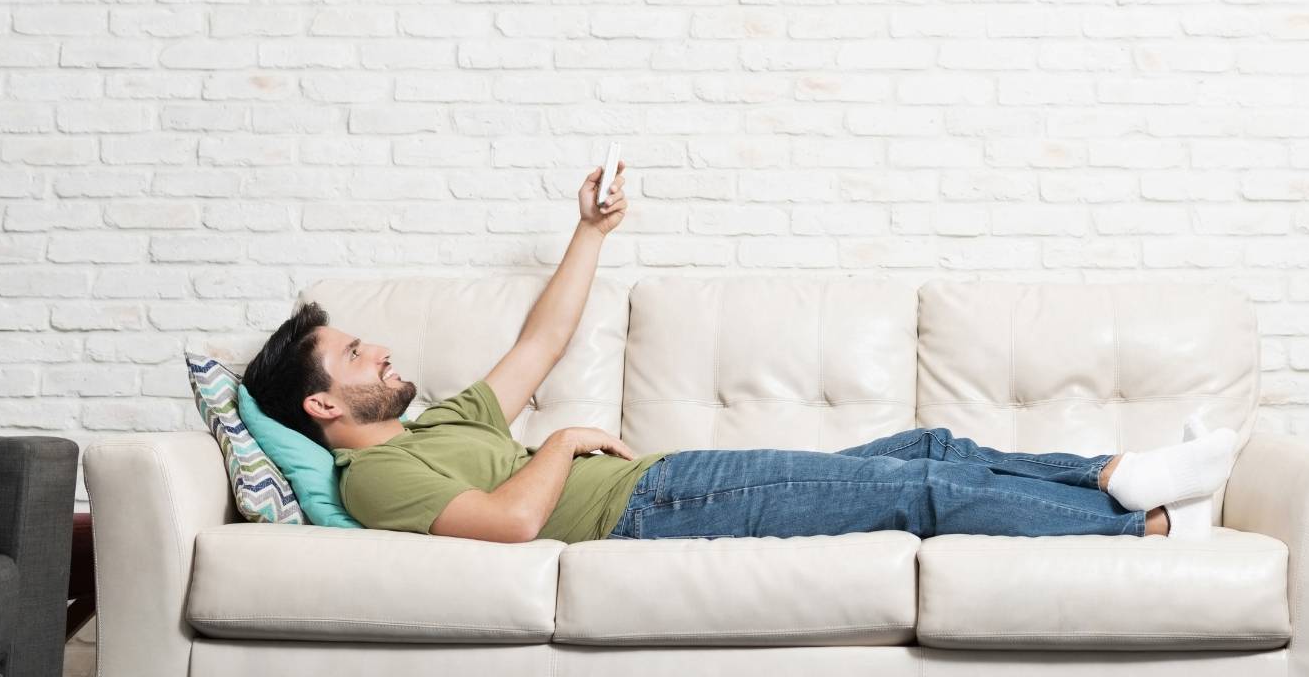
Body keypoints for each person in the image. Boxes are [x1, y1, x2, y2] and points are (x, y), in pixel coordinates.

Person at [241, 158, 1239, 545]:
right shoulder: (375, 487)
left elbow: (542, 340)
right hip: (653, 507)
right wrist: (564, 444)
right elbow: (506, 526)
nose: (380, 355)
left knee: (929, 448)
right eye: (356, 355)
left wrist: (589, 233)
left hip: (670, 481)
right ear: (322, 408)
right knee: (915, 497)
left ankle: (1116, 471)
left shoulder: (445, 418)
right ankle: (1147, 534)